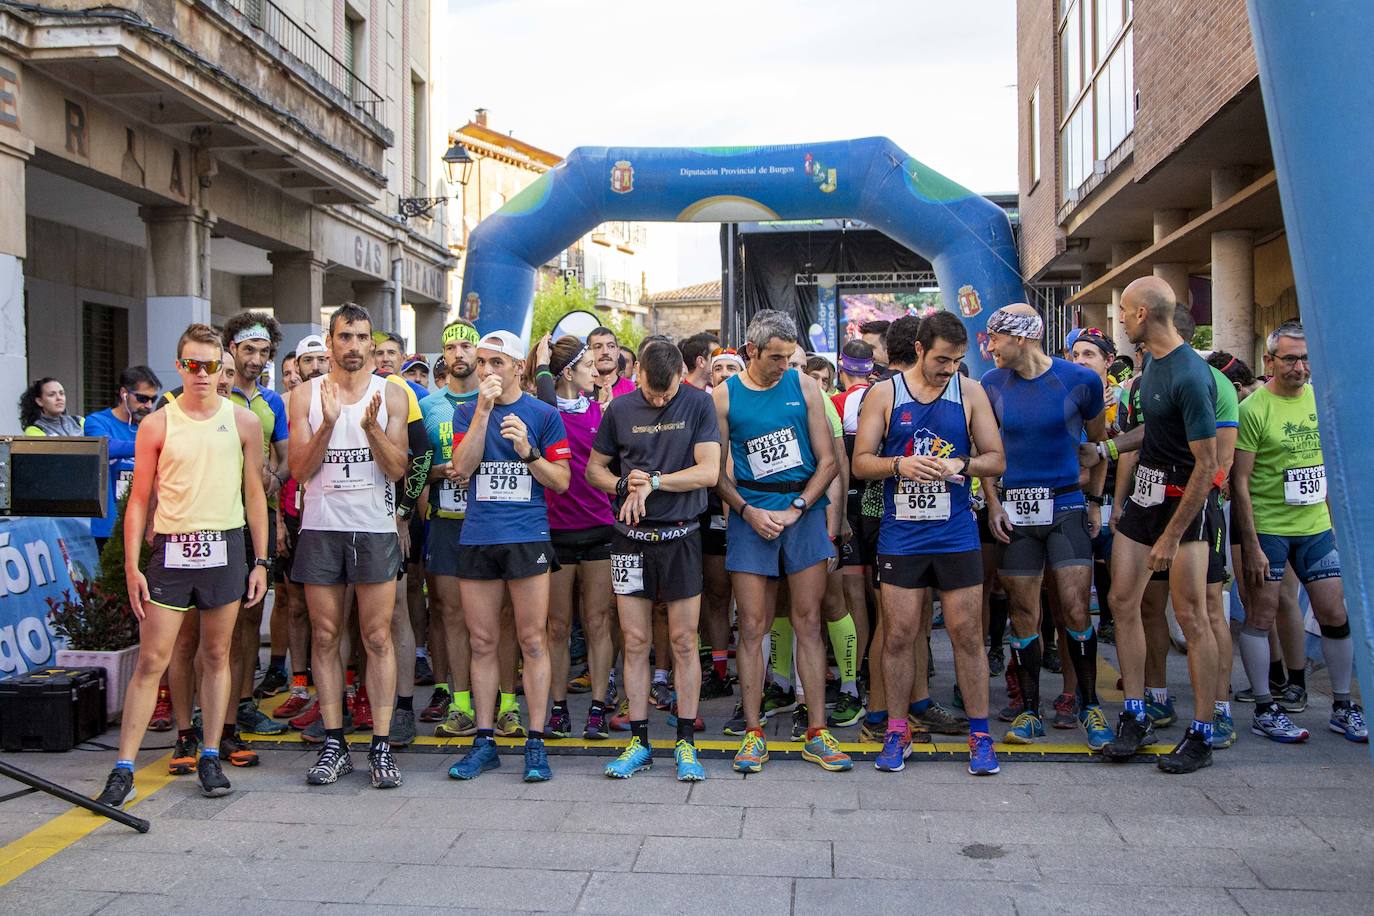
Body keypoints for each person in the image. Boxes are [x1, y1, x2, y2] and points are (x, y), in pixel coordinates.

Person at [94, 323, 269, 807]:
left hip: (226, 547)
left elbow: (254, 493)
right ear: (180, 365)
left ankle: (210, 754)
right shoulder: (158, 423)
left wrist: (261, 561)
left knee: (216, 655)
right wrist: (132, 565)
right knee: (153, 659)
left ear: (221, 369)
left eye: (210, 366)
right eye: (192, 365)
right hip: (172, 550)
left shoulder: (243, 422)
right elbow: (139, 500)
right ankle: (124, 767)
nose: (201, 374)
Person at [851, 311, 1004, 776]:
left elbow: (995, 458)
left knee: (967, 633)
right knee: (898, 634)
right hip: (902, 534)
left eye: (957, 360)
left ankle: (980, 734)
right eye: (942, 359)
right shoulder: (885, 393)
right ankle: (898, 730)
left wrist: (961, 465)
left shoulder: (970, 392)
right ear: (918, 349)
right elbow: (860, 463)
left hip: (955, 531)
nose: (949, 369)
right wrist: (900, 466)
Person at [713, 309, 851, 774]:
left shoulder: (806, 387)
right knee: (752, 625)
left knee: (808, 621)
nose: (784, 365)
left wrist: (797, 508)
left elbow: (828, 462)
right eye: (776, 357)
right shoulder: (723, 397)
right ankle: (753, 733)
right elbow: (713, 470)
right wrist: (749, 511)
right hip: (750, 516)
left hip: (801, 513)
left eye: (789, 357)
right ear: (751, 351)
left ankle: (816, 730)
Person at [289, 302, 411, 789]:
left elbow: (399, 469)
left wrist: (370, 429)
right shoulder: (304, 396)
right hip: (321, 528)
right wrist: (327, 423)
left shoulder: (392, 395)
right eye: (346, 337)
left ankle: (380, 746)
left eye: (363, 337)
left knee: (377, 636)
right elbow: (298, 470)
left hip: (374, 528)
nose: (355, 347)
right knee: (325, 635)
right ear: (331, 340)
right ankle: (335, 743)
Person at [981, 305, 1113, 751]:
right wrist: (994, 501)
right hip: (1016, 510)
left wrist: (1095, 501)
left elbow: (1098, 445)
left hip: (1065, 505)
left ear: (1021, 338)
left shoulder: (1080, 380)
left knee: (1075, 609)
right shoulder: (991, 384)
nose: (989, 346)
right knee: (1022, 613)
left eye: (994, 337)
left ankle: (1089, 704)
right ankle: (1030, 711)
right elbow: (986, 447)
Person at [1102, 277, 1220, 773]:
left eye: (1125, 311)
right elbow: (1157, 427)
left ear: (1145, 313)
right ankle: (1135, 714)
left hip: (1183, 507)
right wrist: (1108, 448)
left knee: (1192, 618)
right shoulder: (1151, 363)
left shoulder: (1191, 375)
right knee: (1121, 602)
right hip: (1144, 500)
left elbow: (1207, 463)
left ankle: (1204, 731)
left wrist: (1172, 535)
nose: (1121, 320)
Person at [589, 338, 721, 781]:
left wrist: (656, 482)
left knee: (684, 641)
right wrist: (626, 486)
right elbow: (594, 470)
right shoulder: (621, 409)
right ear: (637, 372)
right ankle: (638, 741)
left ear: (682, 375)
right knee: (635, 640)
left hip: (682, 537)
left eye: (667, 394)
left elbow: (709, 472)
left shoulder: (699, 404)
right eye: (651, 392)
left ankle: (685, 739)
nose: (660, 400)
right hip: (630, 541)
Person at [445, 330, 571, 783]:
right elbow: (462, 468)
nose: (486, 371)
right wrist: (481, 412)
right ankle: (484, 741)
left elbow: (560, 481)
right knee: (481, 641)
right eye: (481, 363)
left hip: (527, 536)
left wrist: (529, 452)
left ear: (519, 367)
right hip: (479, 535)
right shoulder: (467, 410)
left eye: (496, 363)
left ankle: (535, 742)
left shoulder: (542, 414)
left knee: (532, 639)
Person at [1232, 322, 1366, 744]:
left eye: (1305, 358)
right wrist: (1251, 544)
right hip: (1269, 529)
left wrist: (1338, 527)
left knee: (1334, 613)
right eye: (1290, 358)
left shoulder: (1322, 401)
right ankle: (1264, 707)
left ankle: (1344, 706)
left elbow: (1328, 468)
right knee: (1262, 615)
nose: (1300, 367)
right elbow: (1240, 483)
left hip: (1315, 529)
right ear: (1269, 361)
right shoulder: (1253, 410)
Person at [532, 333, 618, 741]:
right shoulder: (546, 411)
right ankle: (560, 709)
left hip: (600, 527)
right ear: (567, 372)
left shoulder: (602, 411)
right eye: (587, 367)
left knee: (600, 621)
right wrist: (544, 363)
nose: (596, 372)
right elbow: (546, 397)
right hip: (556, 532)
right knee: (557, 626)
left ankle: (598, 708)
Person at [220, 313, 291, 745]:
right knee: (211, 623)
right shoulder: (211, 396)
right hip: (213, 516)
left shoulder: (272, 402)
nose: (256, 360)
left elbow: (286, 459)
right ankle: (207, 710)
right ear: (230, 347)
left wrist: (274, 478)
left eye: (264, 352)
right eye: (249, 350)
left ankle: (243, 702)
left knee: (248, 619)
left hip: (255, 517)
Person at [419, 320, 483, 739]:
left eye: (466, 346)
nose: (459, 353)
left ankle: (500, 697)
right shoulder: (429, 406)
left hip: (490, 521)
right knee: (451, 615)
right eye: (451, 347)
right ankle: (461, 702)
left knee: (497, 617)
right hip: (445, 523)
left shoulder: (495, 398)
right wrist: (441, 471)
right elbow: (415, 467)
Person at [272, 335, 330, 724]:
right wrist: (277, 519)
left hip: (330, 515)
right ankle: (298, 685)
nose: (312, 367)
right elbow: (278, 465)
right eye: (305, 361)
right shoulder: (288, 402)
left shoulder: (343, 398)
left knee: (337, 613)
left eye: (318, 359)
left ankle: (339, 692)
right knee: (295, 604)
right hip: (292, 514)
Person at [84, 366, 162, 554]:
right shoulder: (98, 421)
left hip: (146, 520)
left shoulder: (151, 425)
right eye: (142, 399)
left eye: (153, 399)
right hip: (110, 523)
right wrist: (150, 444)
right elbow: (106, 447)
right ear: (124, 394)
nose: (149, 405)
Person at [589, 326, 636, 399]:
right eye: (598, 347)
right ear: (588, 353)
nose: (605, 352)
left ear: (618, 352)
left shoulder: (632, 389)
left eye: (611, 346)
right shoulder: (579, 390)